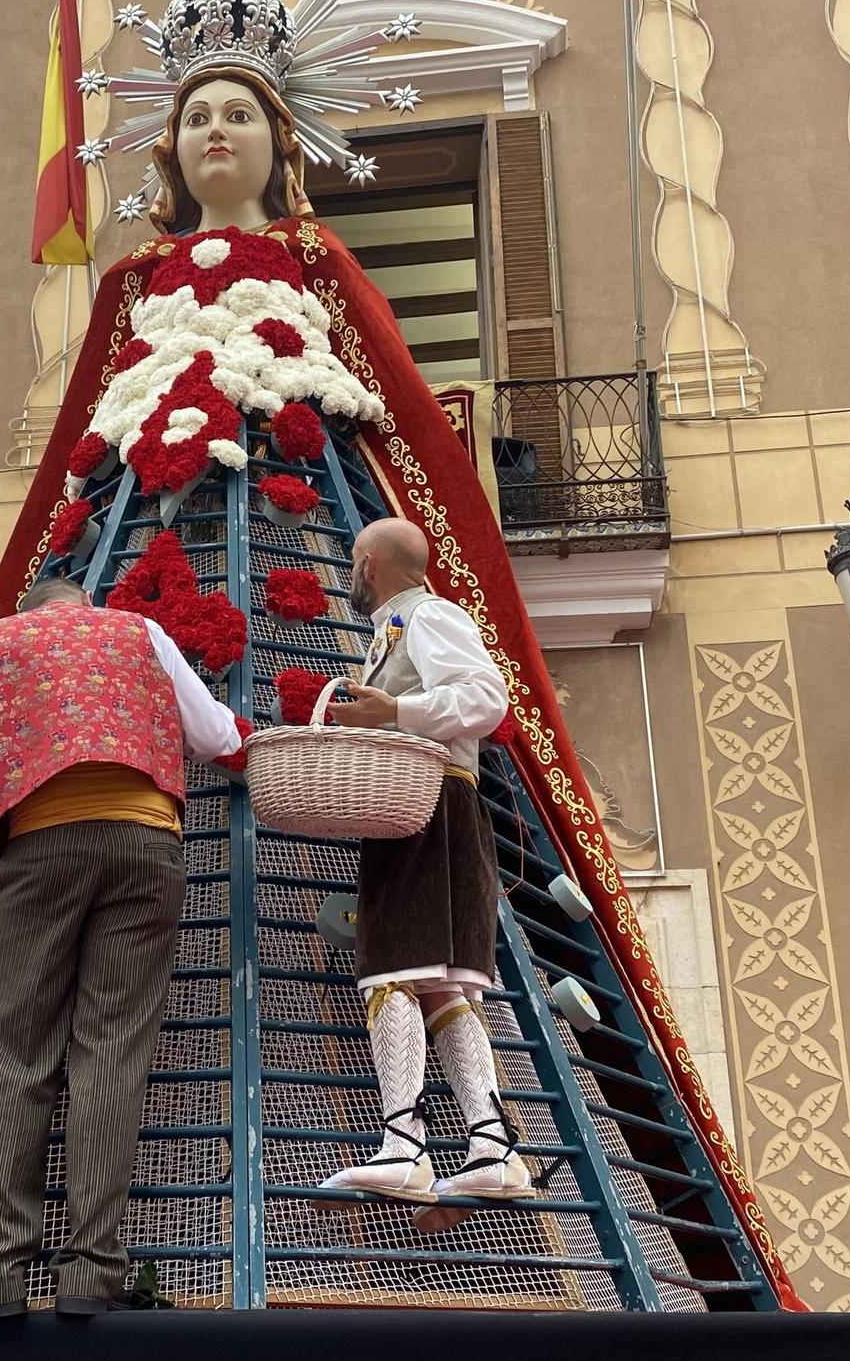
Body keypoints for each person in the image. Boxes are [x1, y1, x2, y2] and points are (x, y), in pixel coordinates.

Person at [0, 577, 243, 1319]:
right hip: (145, 842)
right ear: (85, 607)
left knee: (16, 1050)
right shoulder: (139, 633)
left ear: (33, 614)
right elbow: (217, 736)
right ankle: (93, 1272)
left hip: (40, 847)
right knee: (112, 1051)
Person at [315, 517, 519, 1211]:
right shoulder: (401, 630)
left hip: (425, 809)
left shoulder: (427, 616)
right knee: (440, 985)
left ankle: (404, 1147)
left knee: (391, 969)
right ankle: (492, 1147)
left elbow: (488, 699)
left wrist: (394, 708)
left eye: (351, 561)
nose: (349, 573)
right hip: (437, 810)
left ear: (369, 565)